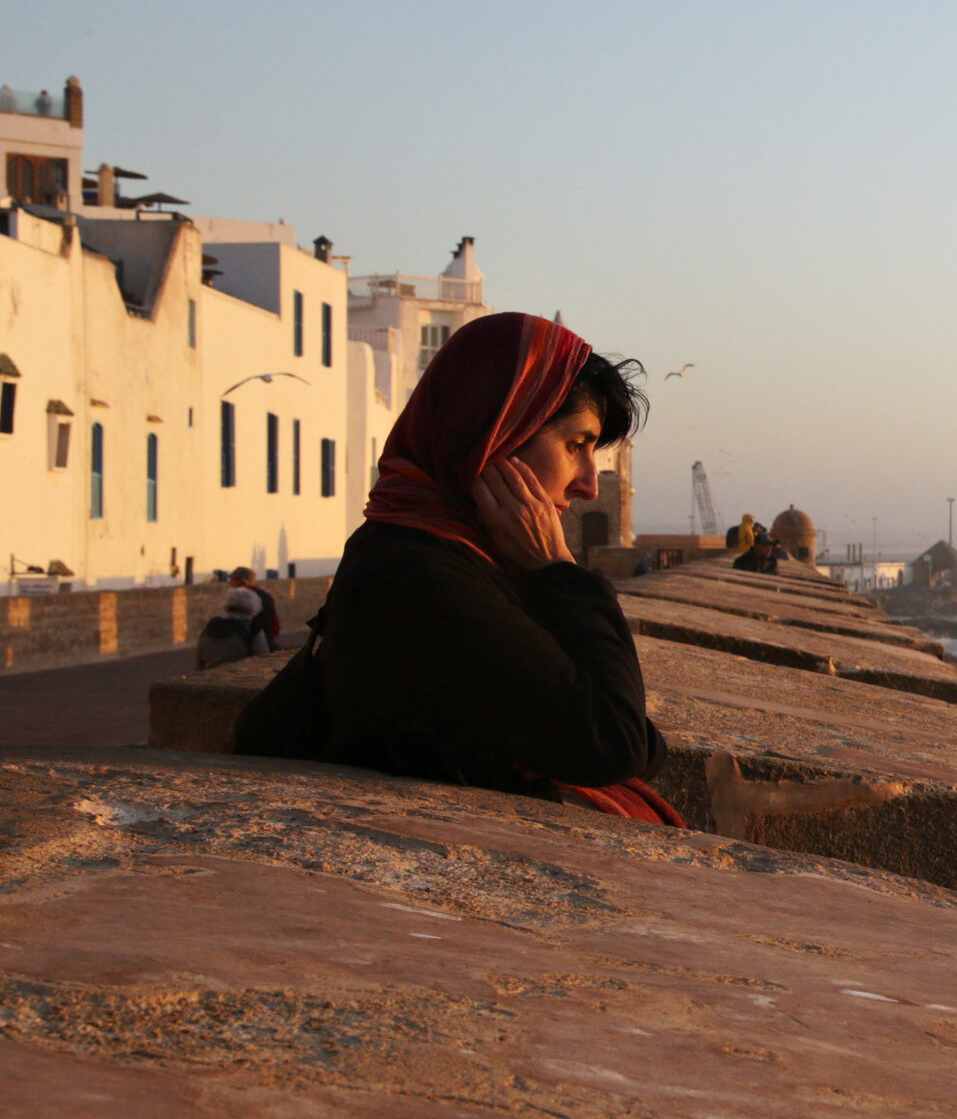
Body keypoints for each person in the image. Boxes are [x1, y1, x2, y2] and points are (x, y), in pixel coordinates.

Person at [234, 311, 682, 826]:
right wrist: (560, 570)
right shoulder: (418, 573)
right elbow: (617, 742)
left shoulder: (438, 549)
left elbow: (624, 735)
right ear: (496, 434)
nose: (588, 484)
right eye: (575, 445)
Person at [194, 587, 273, 668]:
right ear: (253, 608)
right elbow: (263, 661)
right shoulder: (253, 630)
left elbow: (199, 663)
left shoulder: (210, 628)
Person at [228, 565, 281, 648]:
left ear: (242, 580)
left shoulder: (244, 597)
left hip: (256, 637)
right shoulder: (264, 595)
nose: (230, 582)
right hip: (265, 636)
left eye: (233, 579)